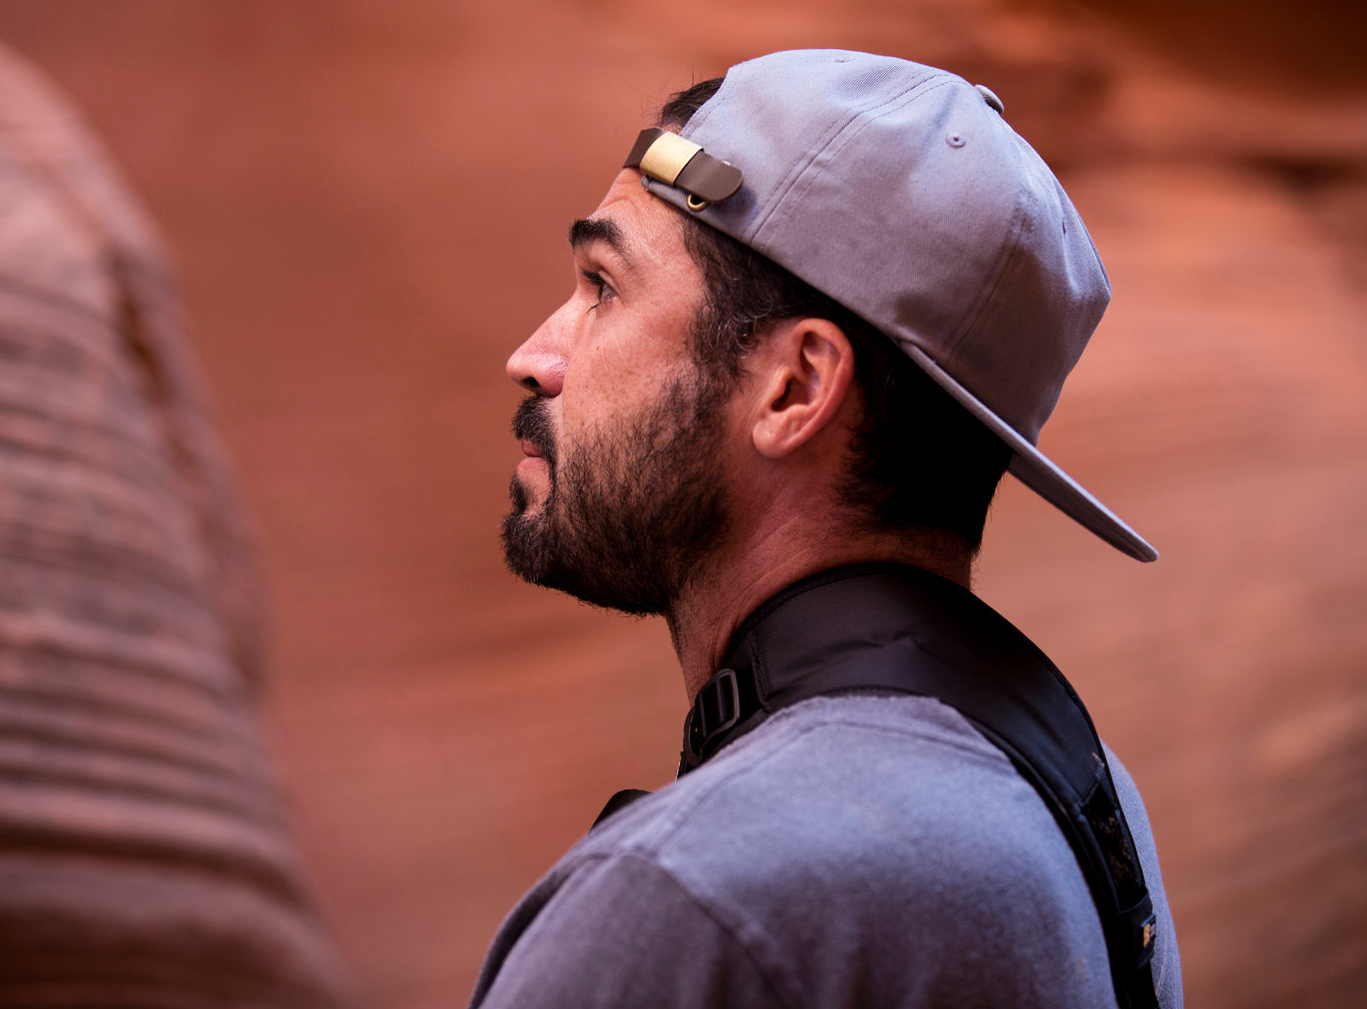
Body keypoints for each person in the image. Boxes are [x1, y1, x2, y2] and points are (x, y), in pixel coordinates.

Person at [474, 49, 1182, 1008]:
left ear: (797, 386)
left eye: (604, 287)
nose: (534, 357)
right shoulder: (1088, 805)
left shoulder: (692, 898)